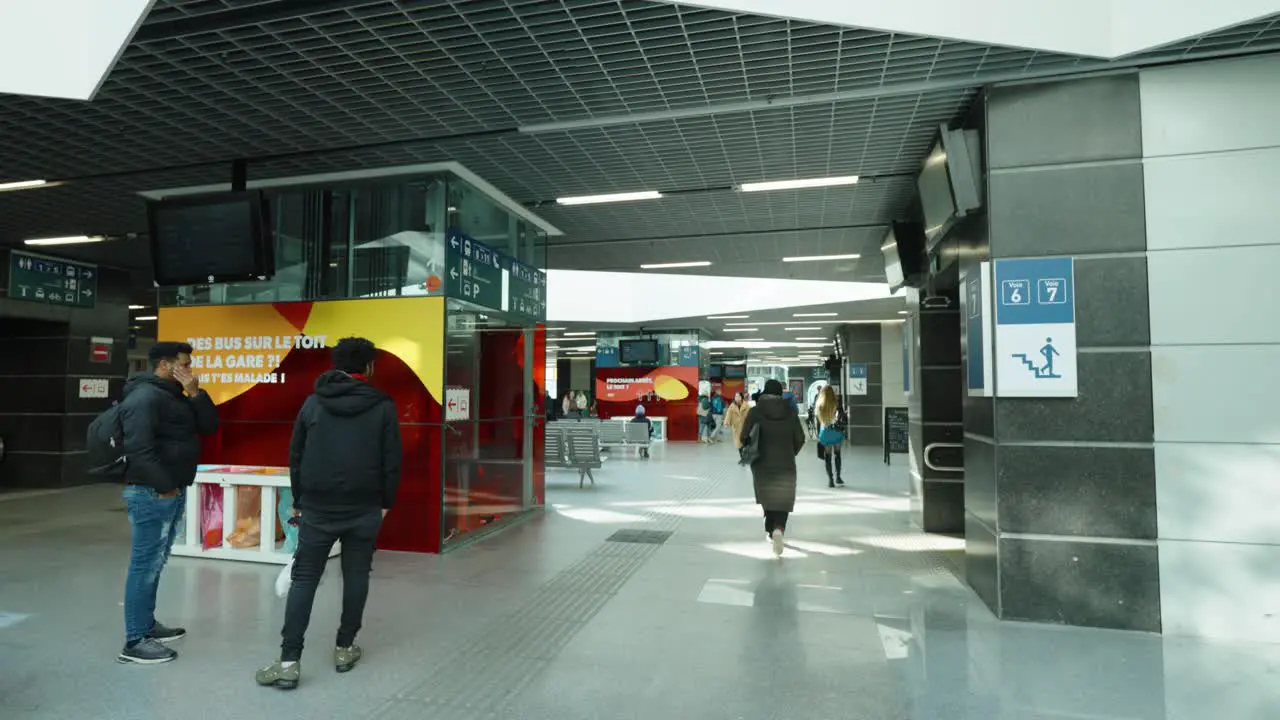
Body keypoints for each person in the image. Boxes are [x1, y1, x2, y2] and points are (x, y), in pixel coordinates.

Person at [256, 337, 402, 690]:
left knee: (304, 579)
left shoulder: (313, 403)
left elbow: (296, 454)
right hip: (365, 506)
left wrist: (300, 499)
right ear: (368, 367)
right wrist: (385, 503)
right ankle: (344, 647)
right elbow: (392, 460)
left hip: (318, 507)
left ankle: (289, 662)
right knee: (356, 576)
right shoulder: (382, 406)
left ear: (335, 365)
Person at [117, 341, 219, 665]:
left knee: (156, 562)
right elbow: (138, 449)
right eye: (185, 365)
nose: (190, 370)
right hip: (152, 492)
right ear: (165, 365)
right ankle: (135, 641)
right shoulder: (144, 397)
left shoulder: (175, 396)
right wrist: (164, 487)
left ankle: (147, 625)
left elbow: (210, 426)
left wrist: (196, 392)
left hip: (169, 489)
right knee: (144, 565)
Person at [740, 379, 806, 558]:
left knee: (768, 495)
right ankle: (778, 528)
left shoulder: (755, 412)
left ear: (764, 393)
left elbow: (744, 437)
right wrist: (789, 452)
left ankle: (770, 529)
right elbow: (800, 438)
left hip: (761, 463)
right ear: (780, 394)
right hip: (785, 462)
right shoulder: (791, 412)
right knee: (783, 497)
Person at [815, 386, 845, 488]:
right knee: (837, 454)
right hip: (836, 431)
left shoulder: (820, 405)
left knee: (827, 456)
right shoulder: (837, 403)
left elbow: (819, 423)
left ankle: (830, 480)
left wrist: (819, 435)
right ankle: (838, 477)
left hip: (825, 432)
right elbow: (841, 417)